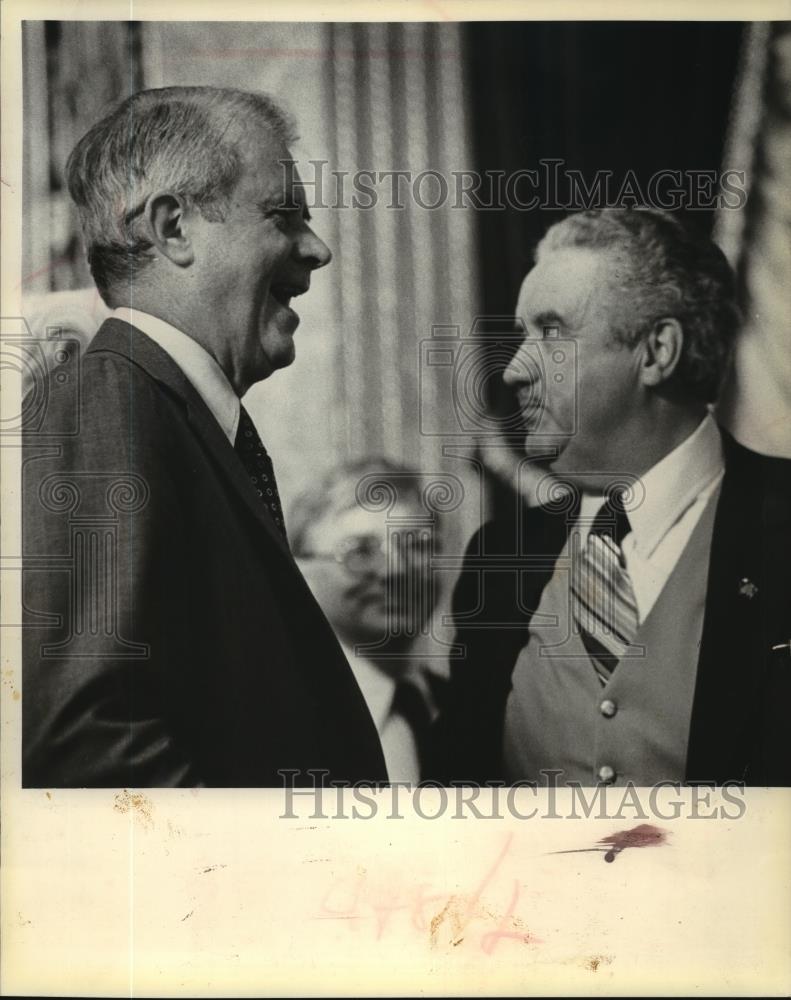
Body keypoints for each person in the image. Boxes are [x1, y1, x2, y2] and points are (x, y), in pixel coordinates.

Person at [22, 86, 387, 787]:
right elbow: (80, 741)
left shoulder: (169, 415)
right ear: (174, 229)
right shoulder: (108, 404)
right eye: (285, 214)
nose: (317, 248)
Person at [432, 207, 791, 787]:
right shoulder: (501, 556)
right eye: (523, 335)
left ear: (655, 353)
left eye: (550, 332)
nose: (513, 371)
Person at [290, 459, 447, 783]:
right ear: (300, 573)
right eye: (361, 552)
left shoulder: (464, 705)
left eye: (417, 546)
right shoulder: (279, 713)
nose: (396, 571)